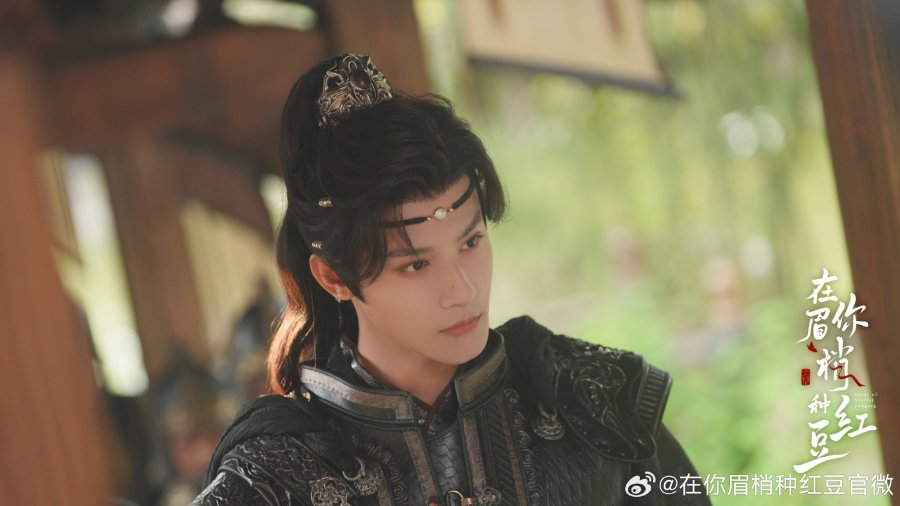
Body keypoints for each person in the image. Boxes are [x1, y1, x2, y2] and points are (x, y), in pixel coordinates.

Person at [192, 54, 709, 506]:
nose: (463, 289)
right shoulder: (273, 478)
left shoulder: (592, 404)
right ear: (333, 277)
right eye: (415, 265)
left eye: (471, 241)